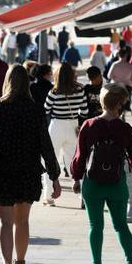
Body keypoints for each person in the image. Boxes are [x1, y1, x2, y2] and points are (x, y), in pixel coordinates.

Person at [0, 64, 61, 264]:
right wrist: (54, 176)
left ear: (8, 82)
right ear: (27, 83)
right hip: (28, 170)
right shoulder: (35, 109)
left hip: (3, 170)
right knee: (22, 221)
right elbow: (45, 144)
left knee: (4, 221)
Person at [71, 83, 132, 264]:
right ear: (119, 104)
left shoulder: (89, 126)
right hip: (117, 184)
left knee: (95, 226)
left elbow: (80, 157)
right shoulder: (124, 129)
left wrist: (76, 178)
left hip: (93, 184)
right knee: (121, 226)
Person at [43, 64, 88, 205]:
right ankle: (82, 195)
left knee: (51, 161)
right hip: (73, 126)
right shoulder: (80, 90)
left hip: (56, 126)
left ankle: (49, 196)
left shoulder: (54, 91)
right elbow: (85, 112)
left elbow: (46, 109)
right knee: (75, 162)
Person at [105, 48, 132, 114]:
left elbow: (109, 76)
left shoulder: (114, 65)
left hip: (116, 86)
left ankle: (118, 113)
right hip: (127, 87)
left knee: (116, 101)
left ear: (119, 55)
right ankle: (124, 112)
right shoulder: (130, 66)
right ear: (126, 55)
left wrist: (116, 79)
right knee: (125, 101)